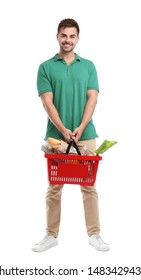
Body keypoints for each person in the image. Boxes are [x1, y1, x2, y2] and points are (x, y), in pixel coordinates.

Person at [32, 18, 109, 252]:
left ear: (78, 38)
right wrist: (64, 129)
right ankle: (51, 235)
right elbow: (47, 103)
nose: (68, 40)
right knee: (55, 185)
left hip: (85, 135)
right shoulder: (46, 67)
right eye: (64, 36)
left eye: (72, 36)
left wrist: (81, 126)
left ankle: (95, 234)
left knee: (89, 185)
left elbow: (92, 98)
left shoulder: (88, 66)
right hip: (57, 136)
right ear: (57, 36)